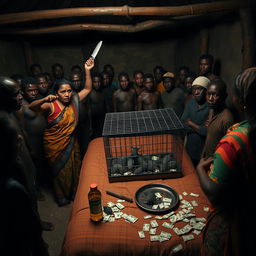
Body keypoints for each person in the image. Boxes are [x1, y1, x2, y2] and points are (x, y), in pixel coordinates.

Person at [196, 67, 256, 256]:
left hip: (232, 220)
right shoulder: (216, 116)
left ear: (240, 99)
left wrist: (199, 169)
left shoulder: (235, 139)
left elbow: (215, 195)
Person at [29, 58, 94, 206]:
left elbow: (88, 89)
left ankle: (74, 194)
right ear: (56, 93)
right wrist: (44, 99)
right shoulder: (51, 104)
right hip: (54, 146)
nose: (67, 94)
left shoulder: (75, 100)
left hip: (71, 142)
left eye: (69, 91)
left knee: (74, 168)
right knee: (60, 173)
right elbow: (32, 107)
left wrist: (87, 70)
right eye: (63, 91)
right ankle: (63, 197)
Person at [0, 76, 54, 231]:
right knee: (26, 203)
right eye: (16, 94)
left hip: (26, 163)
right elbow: (9, 159)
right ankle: (36, 235)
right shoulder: (3, 122)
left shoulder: (11, 112)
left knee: (31, 200)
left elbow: (22, 133)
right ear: (3, 98)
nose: (21, 96)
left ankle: (37, 224)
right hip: (18, 170)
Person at [0, 117, 49, 256]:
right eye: (14, 140)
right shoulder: (12, 187)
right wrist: (40, 248)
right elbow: (28, 228)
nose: (20, 139)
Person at [21, 77, 48, 197]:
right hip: (32, 141)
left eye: (35, 90)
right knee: (34, 167)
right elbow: (22, 129)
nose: (33, 93)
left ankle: (44, 185)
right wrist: (28, 147)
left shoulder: (38, 101)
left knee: (43, 163)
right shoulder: (21, 106)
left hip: (43, 138)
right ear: (23, 91)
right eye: (30, 90)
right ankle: (36, 190)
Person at [181, 76, 210, 167]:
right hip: (190, 148)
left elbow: (206, 132)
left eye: (199, 89)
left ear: (206, 90)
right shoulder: (190, 103)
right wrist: (199, 128)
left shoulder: (210, 107)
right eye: (194, 89)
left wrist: (190, 123)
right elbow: (182, 124)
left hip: (203, 151)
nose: (196, 92)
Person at [201, 79, 234, 158]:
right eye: (208, 94)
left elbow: (229, 151)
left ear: (224, 96)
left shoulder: (227, 119)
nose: (210, 98)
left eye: (215, 95)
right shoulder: (212, 111)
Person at [70, 71, 92, 159]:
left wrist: (90, 125)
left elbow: (89, 109)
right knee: (76, 150)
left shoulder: (85, 93)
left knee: (86, 148)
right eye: (74, 81)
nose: (76, 83)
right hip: (74, 127)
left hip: (85, 124)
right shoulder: (68, 95)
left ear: (82, 81)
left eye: (78, 80)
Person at [89, 72, 106, 138]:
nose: (97, 84)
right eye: (95, 82)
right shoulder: (90, 93)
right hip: (93, 122)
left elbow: (106, 107)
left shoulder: (103, 92)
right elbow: (88, 110)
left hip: (102, 120)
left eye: (99, 82)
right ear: (92, 82)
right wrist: (90, 126)